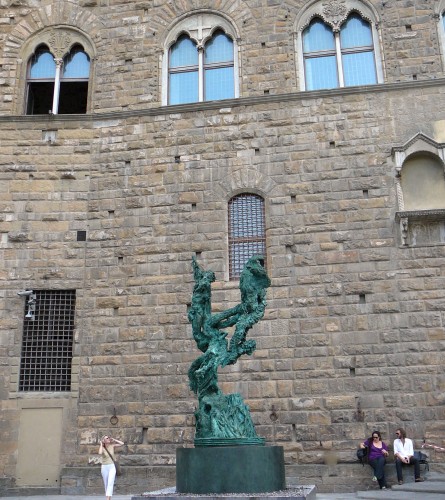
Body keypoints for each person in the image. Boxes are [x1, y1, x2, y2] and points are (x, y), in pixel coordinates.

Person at [98, 435, 124, 500]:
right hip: (104, 467)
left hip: (112, 466)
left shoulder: (112, 446)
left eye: (108, 437)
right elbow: (100, 452)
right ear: (104, 441)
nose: (108, 438)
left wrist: (114, 439)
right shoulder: (102, 448)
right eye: (107, 438)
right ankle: (109, 498)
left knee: (110, 482)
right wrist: (101, 444)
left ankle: (107, 498)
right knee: (106, 483)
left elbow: (122, 443)